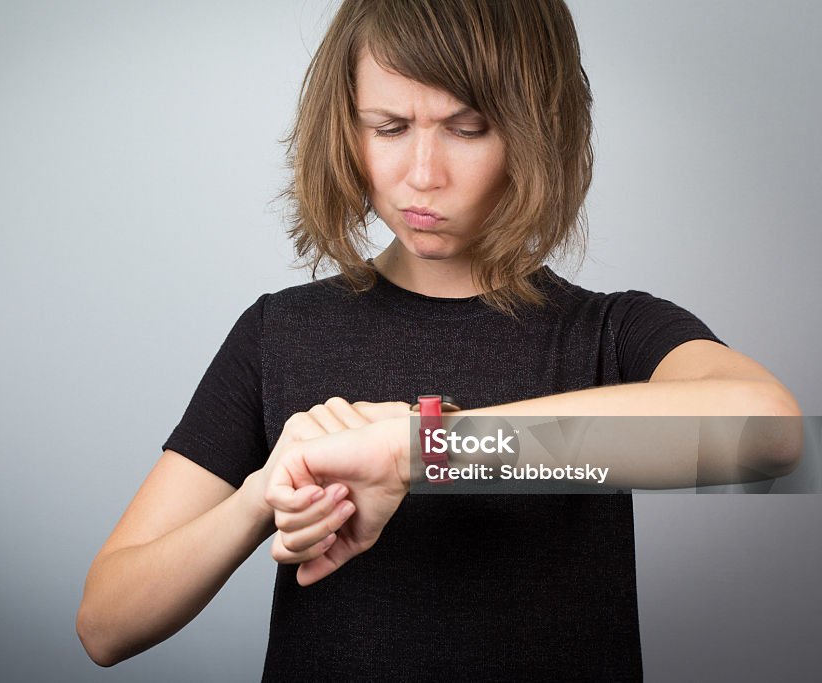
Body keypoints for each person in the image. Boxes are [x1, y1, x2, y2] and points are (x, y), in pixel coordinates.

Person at [76, 0, 802, 679]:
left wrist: (422, 450)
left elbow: (768, 436)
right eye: (388, 127)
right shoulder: (280, 331)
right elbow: (106, 624)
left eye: (467, 127)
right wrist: (261, 497)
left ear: (537, 128)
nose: (421, 176)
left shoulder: (611, 332)